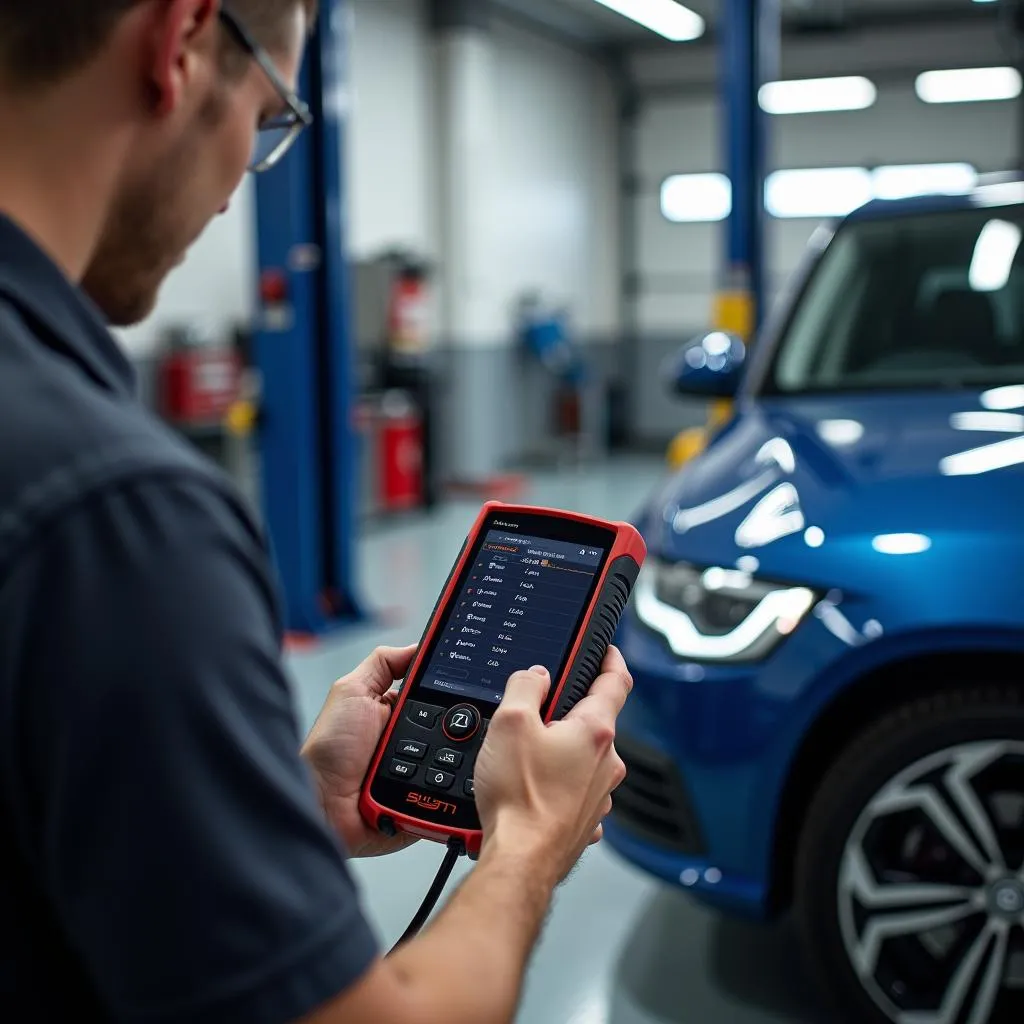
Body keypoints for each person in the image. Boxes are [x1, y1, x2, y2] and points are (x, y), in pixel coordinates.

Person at [0, 2, 633, 1022]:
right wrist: (526, 842)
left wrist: (276, 806)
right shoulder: (118, 520)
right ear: (181, 45)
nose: (237, 183)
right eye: (267, 117)